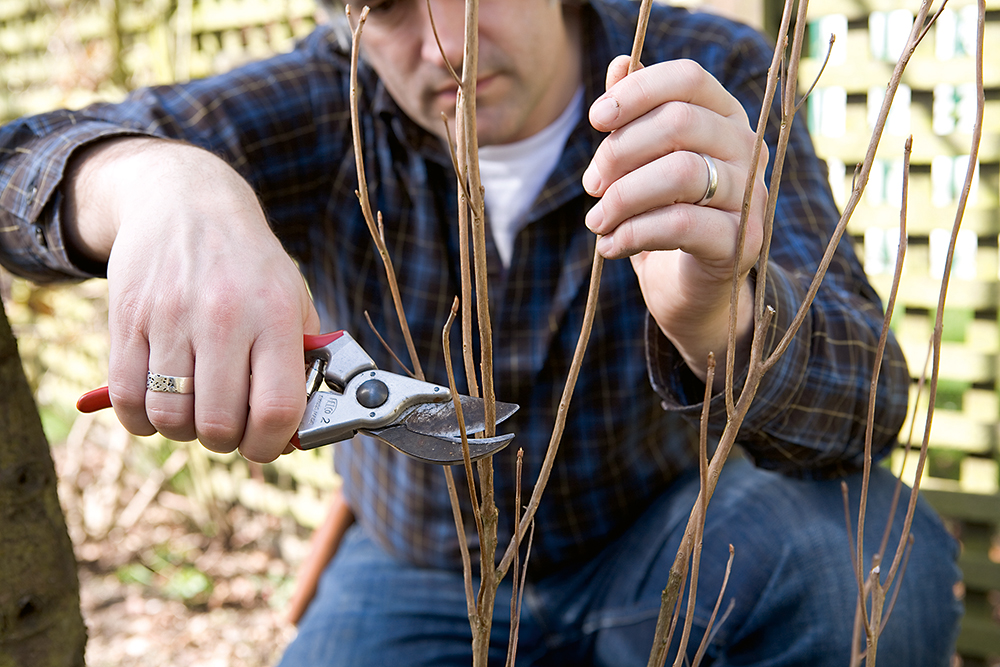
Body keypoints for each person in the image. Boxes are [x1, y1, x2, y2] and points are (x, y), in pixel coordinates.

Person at [0, 0, 962, 664]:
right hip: (416, 572)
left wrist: (727, 318)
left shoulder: (697, 77)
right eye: (387, 4)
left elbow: (871, 401)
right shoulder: (332, 99)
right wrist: (157, 183)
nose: (446, 44)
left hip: (664, 543)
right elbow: (20, 169)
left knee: (866, 551)